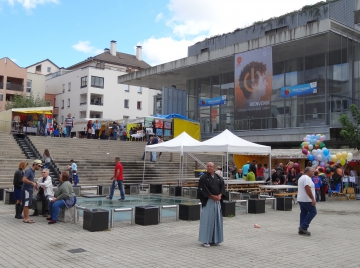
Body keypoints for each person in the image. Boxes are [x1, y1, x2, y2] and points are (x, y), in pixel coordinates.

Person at [198, 162, 226, 247]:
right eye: (208, 166)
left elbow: (222, 187)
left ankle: (215, 239)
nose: (209, 168)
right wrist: (212, 196)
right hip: (209, 201)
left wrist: (220, 195)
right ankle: (206, 240)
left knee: (216, 221)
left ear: (214, 167)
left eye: (211, 166)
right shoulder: (203, 178)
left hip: (217, 201)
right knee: (207, 220)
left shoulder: (218, 177)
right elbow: (202, 190)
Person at [297, 167, 316, 236]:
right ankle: (304, 226)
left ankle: (301, 228)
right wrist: (312, 199)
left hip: (301, 198)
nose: (313, 172)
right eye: (312, 171)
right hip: (306, 199)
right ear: (308, 172)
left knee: (304, 212)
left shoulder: (302, 177)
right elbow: (307, 188)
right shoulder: (306, 178)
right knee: (313, 211)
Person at [21, 159, 42, 223]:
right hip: (26, 190)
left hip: (29, 189)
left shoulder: (33, 171)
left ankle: (26, 217)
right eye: (38, 166)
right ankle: (26, 218)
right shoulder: (29, 171)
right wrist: (32, 183)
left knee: (27, 204)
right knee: (26, 204)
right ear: (35, 164)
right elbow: (24, 179)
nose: (39, 167)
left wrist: (33, 185)